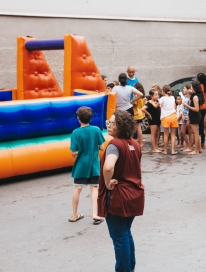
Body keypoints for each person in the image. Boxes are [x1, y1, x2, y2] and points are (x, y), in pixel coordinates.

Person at [98, 110, 144, 272]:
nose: (109, 125)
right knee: (125, 233)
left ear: (120, 126)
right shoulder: (135, 144)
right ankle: (130, 267)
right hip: (134, 194)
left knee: (119, 236)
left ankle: (124, 269)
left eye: (112, 123)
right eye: (108, 122)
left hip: (119, 197)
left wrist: (107, 182)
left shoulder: (114, 145)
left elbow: (109, 166)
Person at [69, 107, 106, 224]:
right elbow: (102, 147)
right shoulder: (96, 130)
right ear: (91, 118)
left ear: (78, 118)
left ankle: (74, 215)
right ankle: (95, 214)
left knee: (78, 187)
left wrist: (78, 153)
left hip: (81, 164)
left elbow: (74, 153)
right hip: (94, 163)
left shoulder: (75, 132)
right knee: (94, 187)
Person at [183, 82, 204, 155]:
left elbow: (196, 109)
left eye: (191, 87)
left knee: (196, 133)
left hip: (195, 115)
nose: (190, 88)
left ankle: (196, 150)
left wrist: (186, 106)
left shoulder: (195, 97)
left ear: (194, 88)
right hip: (194, 115)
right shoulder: (195, 95)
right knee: (196, 133)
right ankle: (199, 149)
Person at [159, 85, 179, 155]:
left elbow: (159, 106)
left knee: (166, 134)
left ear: (163, 91)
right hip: (173, 116)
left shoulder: (162, 98)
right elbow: (174, 106)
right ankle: (173, 150)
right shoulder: (173, 97)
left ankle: (165, 150)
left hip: (165, 117)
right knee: (173, 134)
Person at [197, 73, 206, 149]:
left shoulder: (199, 86)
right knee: (202, 125)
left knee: (197, 125)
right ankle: (202, 143)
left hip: (199, 107)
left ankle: (197, 143)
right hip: (205, 106)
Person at [180, 85, 193, 152]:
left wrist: (189, 119)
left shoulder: (191, 98)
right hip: (184, 116)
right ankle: (187, 145)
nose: (183, 90)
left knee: (190, 132)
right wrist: (182, 114)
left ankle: (190, 147)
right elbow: (182, 106)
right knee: (182, 132)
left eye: (184, 88)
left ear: (188, 89)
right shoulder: (184, 97)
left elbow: (190, 108)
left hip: (189, 116)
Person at [133, 83, 146, 148]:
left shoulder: (136, 96)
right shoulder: (143, 96)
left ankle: (140, 142)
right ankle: (140, 142)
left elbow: (134, 104)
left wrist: (131, 102)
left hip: (136, 113)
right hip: (141, 113)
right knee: (139, 128)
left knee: (137, 128)